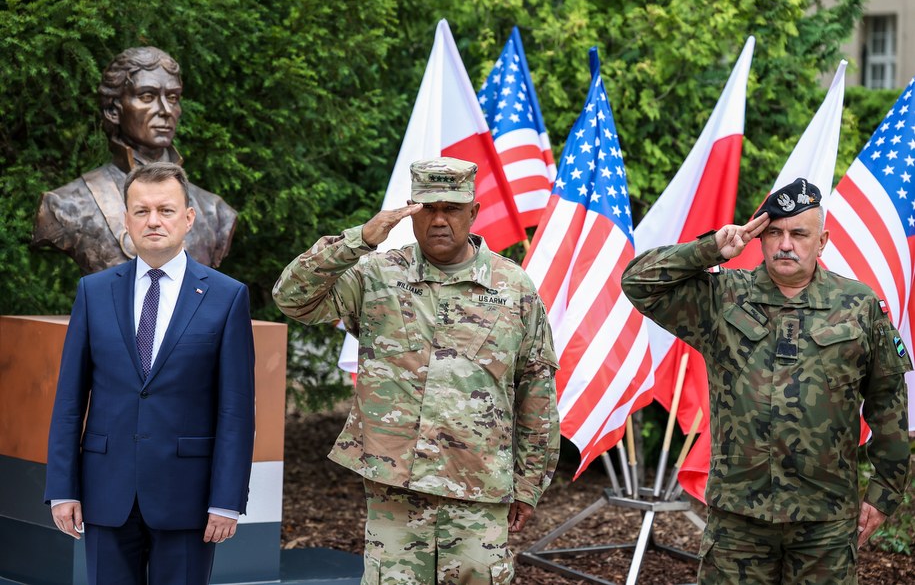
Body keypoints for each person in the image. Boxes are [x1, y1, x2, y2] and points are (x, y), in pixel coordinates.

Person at [273, 157, 560, 584]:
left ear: (473, 212)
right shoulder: (377, 275)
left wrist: (529, 483)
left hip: (478, 488)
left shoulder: (513, 287)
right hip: (396, 490)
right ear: (411, 209)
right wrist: (359, 239)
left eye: (452, 208)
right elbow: (292, 298)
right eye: (428, 208)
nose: (439, 220)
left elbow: (536, 391)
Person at [621, 177, 911, 584]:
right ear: (760, 237)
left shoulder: (858, 306)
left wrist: (884, 494)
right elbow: (638, 282)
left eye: (798, 233)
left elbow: (888, 403)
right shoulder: (721, 297)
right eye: (774, 232)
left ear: (822, 240)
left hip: (824, 522)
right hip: (738, 521)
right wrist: (712, 248)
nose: (785, 244)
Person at [44, 162, 256, 584]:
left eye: (166, 210)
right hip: (106, 491)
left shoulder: (227, 297)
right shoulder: (93, 291)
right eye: (141, 211)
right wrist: (62, 487)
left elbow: (236, 411)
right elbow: (70, 400)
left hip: (188, 497)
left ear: (188, 218)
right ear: (126, 220)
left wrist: (227, 500)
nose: (153, 221)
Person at [31, 46, 237, 274]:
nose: (166, 110)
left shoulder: (215, 212)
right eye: (147, 96)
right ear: (113, 109)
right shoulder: (66, 205)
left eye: (173, 97)